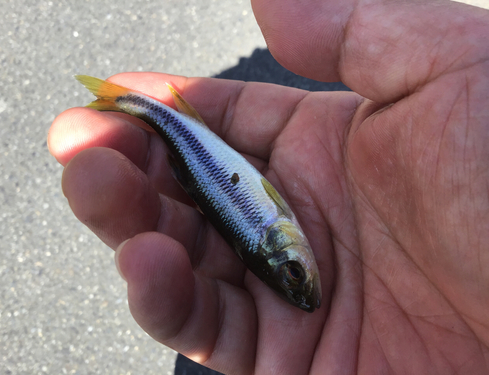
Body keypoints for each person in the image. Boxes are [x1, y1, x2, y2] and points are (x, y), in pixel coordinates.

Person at [48, 0, 489, 373]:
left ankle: (125, 102)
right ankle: (125, 102)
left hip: (206, 161)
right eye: (294, 274)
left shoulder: (274, 232)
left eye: (295, 273)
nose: (305, 272)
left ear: (277, 248)